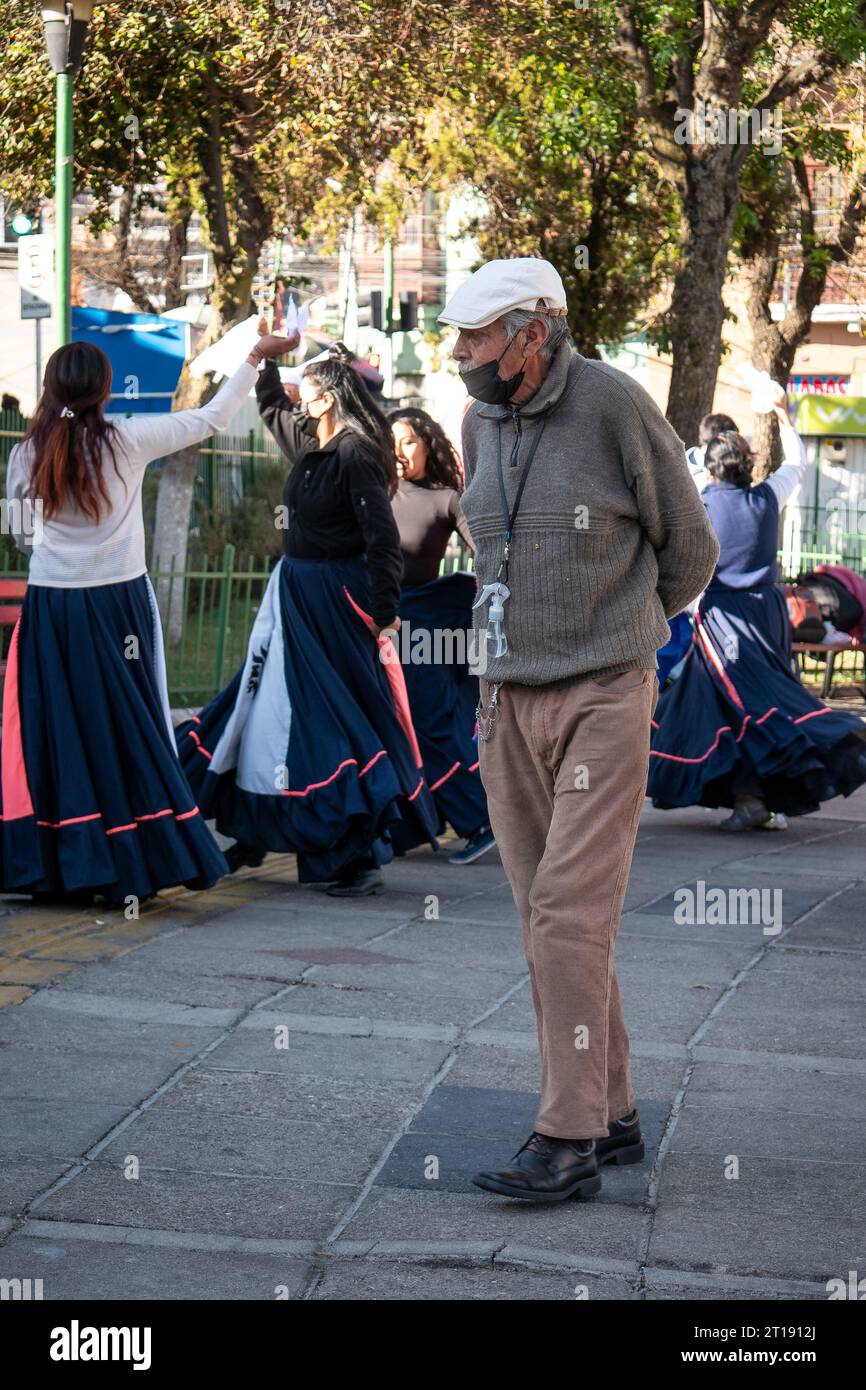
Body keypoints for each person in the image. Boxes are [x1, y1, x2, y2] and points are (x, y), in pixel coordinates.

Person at [438, 257, 720, 1201]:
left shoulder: (612, 403)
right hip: (505, 698)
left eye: (477, 337)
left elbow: (691, 547)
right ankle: (619, 1108)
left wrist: (624, 637)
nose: (462, 354)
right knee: (552, 922)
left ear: (533, 330)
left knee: (566, 915)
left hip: (603, 693)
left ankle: (568, 1139)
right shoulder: (479, 421)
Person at [0, 328, 290, 902]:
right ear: (105, 391)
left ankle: (62, 865)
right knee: (126, 725)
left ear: (48, 387)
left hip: (53, 607)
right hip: (118, 605)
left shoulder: (26, 452)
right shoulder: (128, 440)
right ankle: (134, 856)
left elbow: (22, 535)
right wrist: (255, 357)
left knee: (58, 729)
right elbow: (209, 419)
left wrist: (63, 553)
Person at [177, 347, 439, 897]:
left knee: (329, 718)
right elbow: (272, 405)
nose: (298, 394)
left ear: (328, 397)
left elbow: (381, 540)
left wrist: (385, 613)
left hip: (332, 602)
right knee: (264, 710)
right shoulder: (317, 446)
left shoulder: (357, 454)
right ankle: (259, 824)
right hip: (292, 595)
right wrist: (265, 357)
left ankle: (353, 856)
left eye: (306, 386)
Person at [649, 386, 866, 829]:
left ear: (712, 470)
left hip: (723, 617)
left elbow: (677, 537)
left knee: (745, 703)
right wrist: (785, 415)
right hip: (767, 614)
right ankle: (748, 796)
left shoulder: (700, 504)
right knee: (730, 703)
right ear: (745, 467)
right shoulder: (768, 497)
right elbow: (797, 464)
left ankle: (817, 747)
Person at [388, 407, 494, 864]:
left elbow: (489, 554)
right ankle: (403, 826)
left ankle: (478, 821)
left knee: (427, 725)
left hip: (421, 629)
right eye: (391, 440)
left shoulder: (447, 499)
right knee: (386, 726)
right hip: (369, 625)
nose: (398, 451)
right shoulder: (371, 492)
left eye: (409, 440)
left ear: (429, 444)